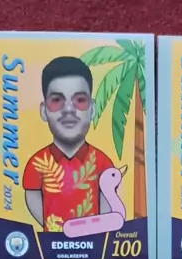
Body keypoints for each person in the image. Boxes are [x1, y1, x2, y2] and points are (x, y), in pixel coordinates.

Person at [22, 56, 115, 233]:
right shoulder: (37, 163)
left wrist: (94, 228)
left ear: (92, 109)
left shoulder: (102, 163)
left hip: (93, 241)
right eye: (57, 100)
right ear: (44, 110)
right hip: (51, 242)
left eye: (79, 100)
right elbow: (32, 196)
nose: (69, 109)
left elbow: (107, 198)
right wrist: (52, 227)